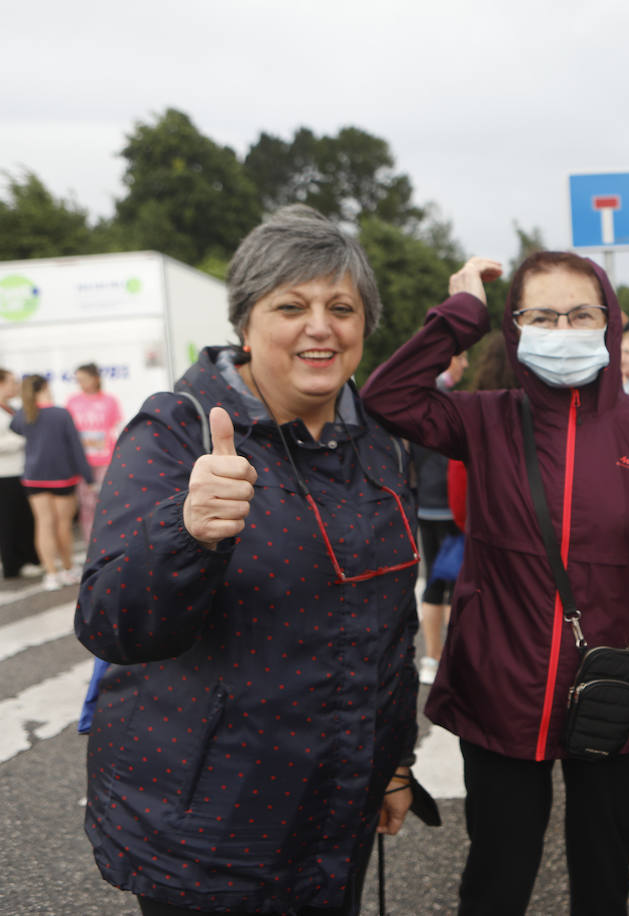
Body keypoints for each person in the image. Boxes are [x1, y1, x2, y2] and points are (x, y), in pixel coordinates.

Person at [75, 205, 421, 915]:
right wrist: (187, 531)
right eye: (291, 305)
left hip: (339, 807)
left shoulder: (380, 444)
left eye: (342, 307)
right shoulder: (177, 430)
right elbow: (111, 621)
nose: (320, 326)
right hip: (210, 825)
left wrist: (393, 762)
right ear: (245, 321)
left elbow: (393, 624)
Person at [360, 250, 629, 915]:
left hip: (617, 697)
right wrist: (459, 314)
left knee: (604, 882)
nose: (562, 328)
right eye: (541, 315)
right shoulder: (486, 419)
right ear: (515, 327)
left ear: (610, 323)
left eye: (580, 313)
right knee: (496, 880)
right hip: (499, 695)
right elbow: (386, 397)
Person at [415, 352, 468, 686]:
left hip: (425, 501)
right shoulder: (448, 400)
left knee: (436, 583)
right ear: (448, 360)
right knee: (461, 586)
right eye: (461, 359)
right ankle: (454, 660)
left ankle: (432, 658)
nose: (464, 365)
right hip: (452, 504)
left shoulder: (416, 396)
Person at [10, 374, 91, 590]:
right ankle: (67, 569)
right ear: (44, 387)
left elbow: (15, 427)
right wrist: (88, 476)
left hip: (33, 478)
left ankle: (51, 575)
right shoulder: (61, 414)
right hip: (61, 477)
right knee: (62, 525)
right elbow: (76, 447)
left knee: (43, 524)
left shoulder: (23, 414)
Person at [66, 362, 123, 544]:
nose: (81, 383)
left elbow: (116, 428)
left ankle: (110, 542)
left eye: (84, 379)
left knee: (107, 503)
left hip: (106, 460)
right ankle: (91, 544)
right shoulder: (73, 401)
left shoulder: (109, 400)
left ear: (95, 378)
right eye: (78, 380)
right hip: (83, 463)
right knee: (86, 505)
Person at [0, 368, 41, 578]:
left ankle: (29, 558)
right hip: (4, 474)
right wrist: (22, 440)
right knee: (8, 521)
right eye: (11, 383)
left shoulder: (13, 409)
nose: (16, 387)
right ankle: (12, 564)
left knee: (24, 518)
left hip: (21, 472)